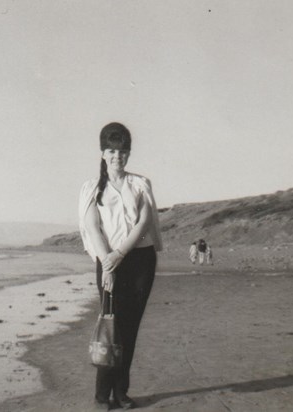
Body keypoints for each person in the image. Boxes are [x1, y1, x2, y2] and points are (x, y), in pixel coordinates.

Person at [79, 122, 162, 410]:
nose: (118, 156)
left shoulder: (140, 183)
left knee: (129, 327)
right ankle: (102, 396)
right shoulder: (91, 188)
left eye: (123, 151)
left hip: (140, 260)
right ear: (103, 153)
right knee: (110, 325)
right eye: (112, 150)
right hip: (108, 261)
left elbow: (143, 223)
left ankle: (121, 392)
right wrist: (109, 263)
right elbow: (92, 228)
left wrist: (120, 255)